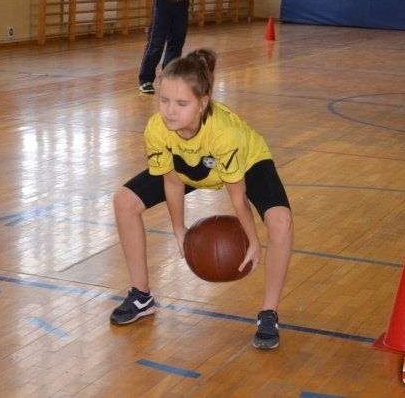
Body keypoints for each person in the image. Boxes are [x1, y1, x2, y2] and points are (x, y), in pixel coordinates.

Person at [110, 48, 294, 350]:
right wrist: (179, 229)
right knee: (124, 201)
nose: (170, 111)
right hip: (191, 168)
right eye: (164, 100)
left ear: (203, 103)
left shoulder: (225, 134)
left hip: (246, 162)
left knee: (281, 221)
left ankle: (268, 313)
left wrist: (253, 242)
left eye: (182, 103)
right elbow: (172, 183)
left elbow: (238, 198)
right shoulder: (157, 129)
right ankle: (141, 296)